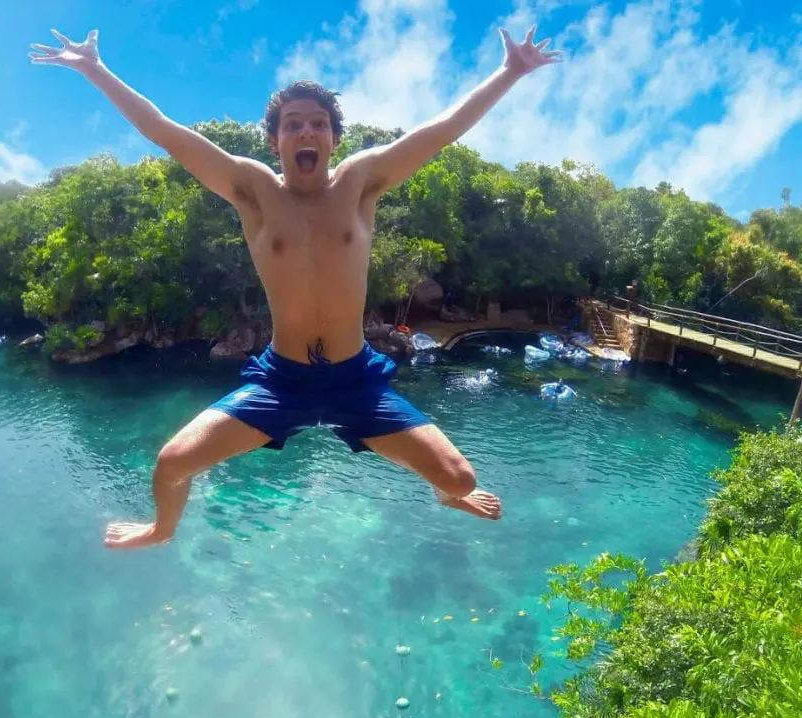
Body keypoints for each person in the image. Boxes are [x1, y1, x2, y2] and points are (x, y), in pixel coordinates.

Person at [29, 26, 562, 549]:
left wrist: (510, 71)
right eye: (292, 125)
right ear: (274, 140)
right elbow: (165, 131)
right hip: (281, 383)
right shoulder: (253, 190)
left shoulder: (361, 182)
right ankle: (160, 530)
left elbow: (443, 129)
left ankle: (447, 498)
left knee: (461, 481)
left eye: (317, 124)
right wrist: (97, 71)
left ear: (333, 137)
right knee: (170, 464)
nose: (306, 133)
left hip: (356, 382)